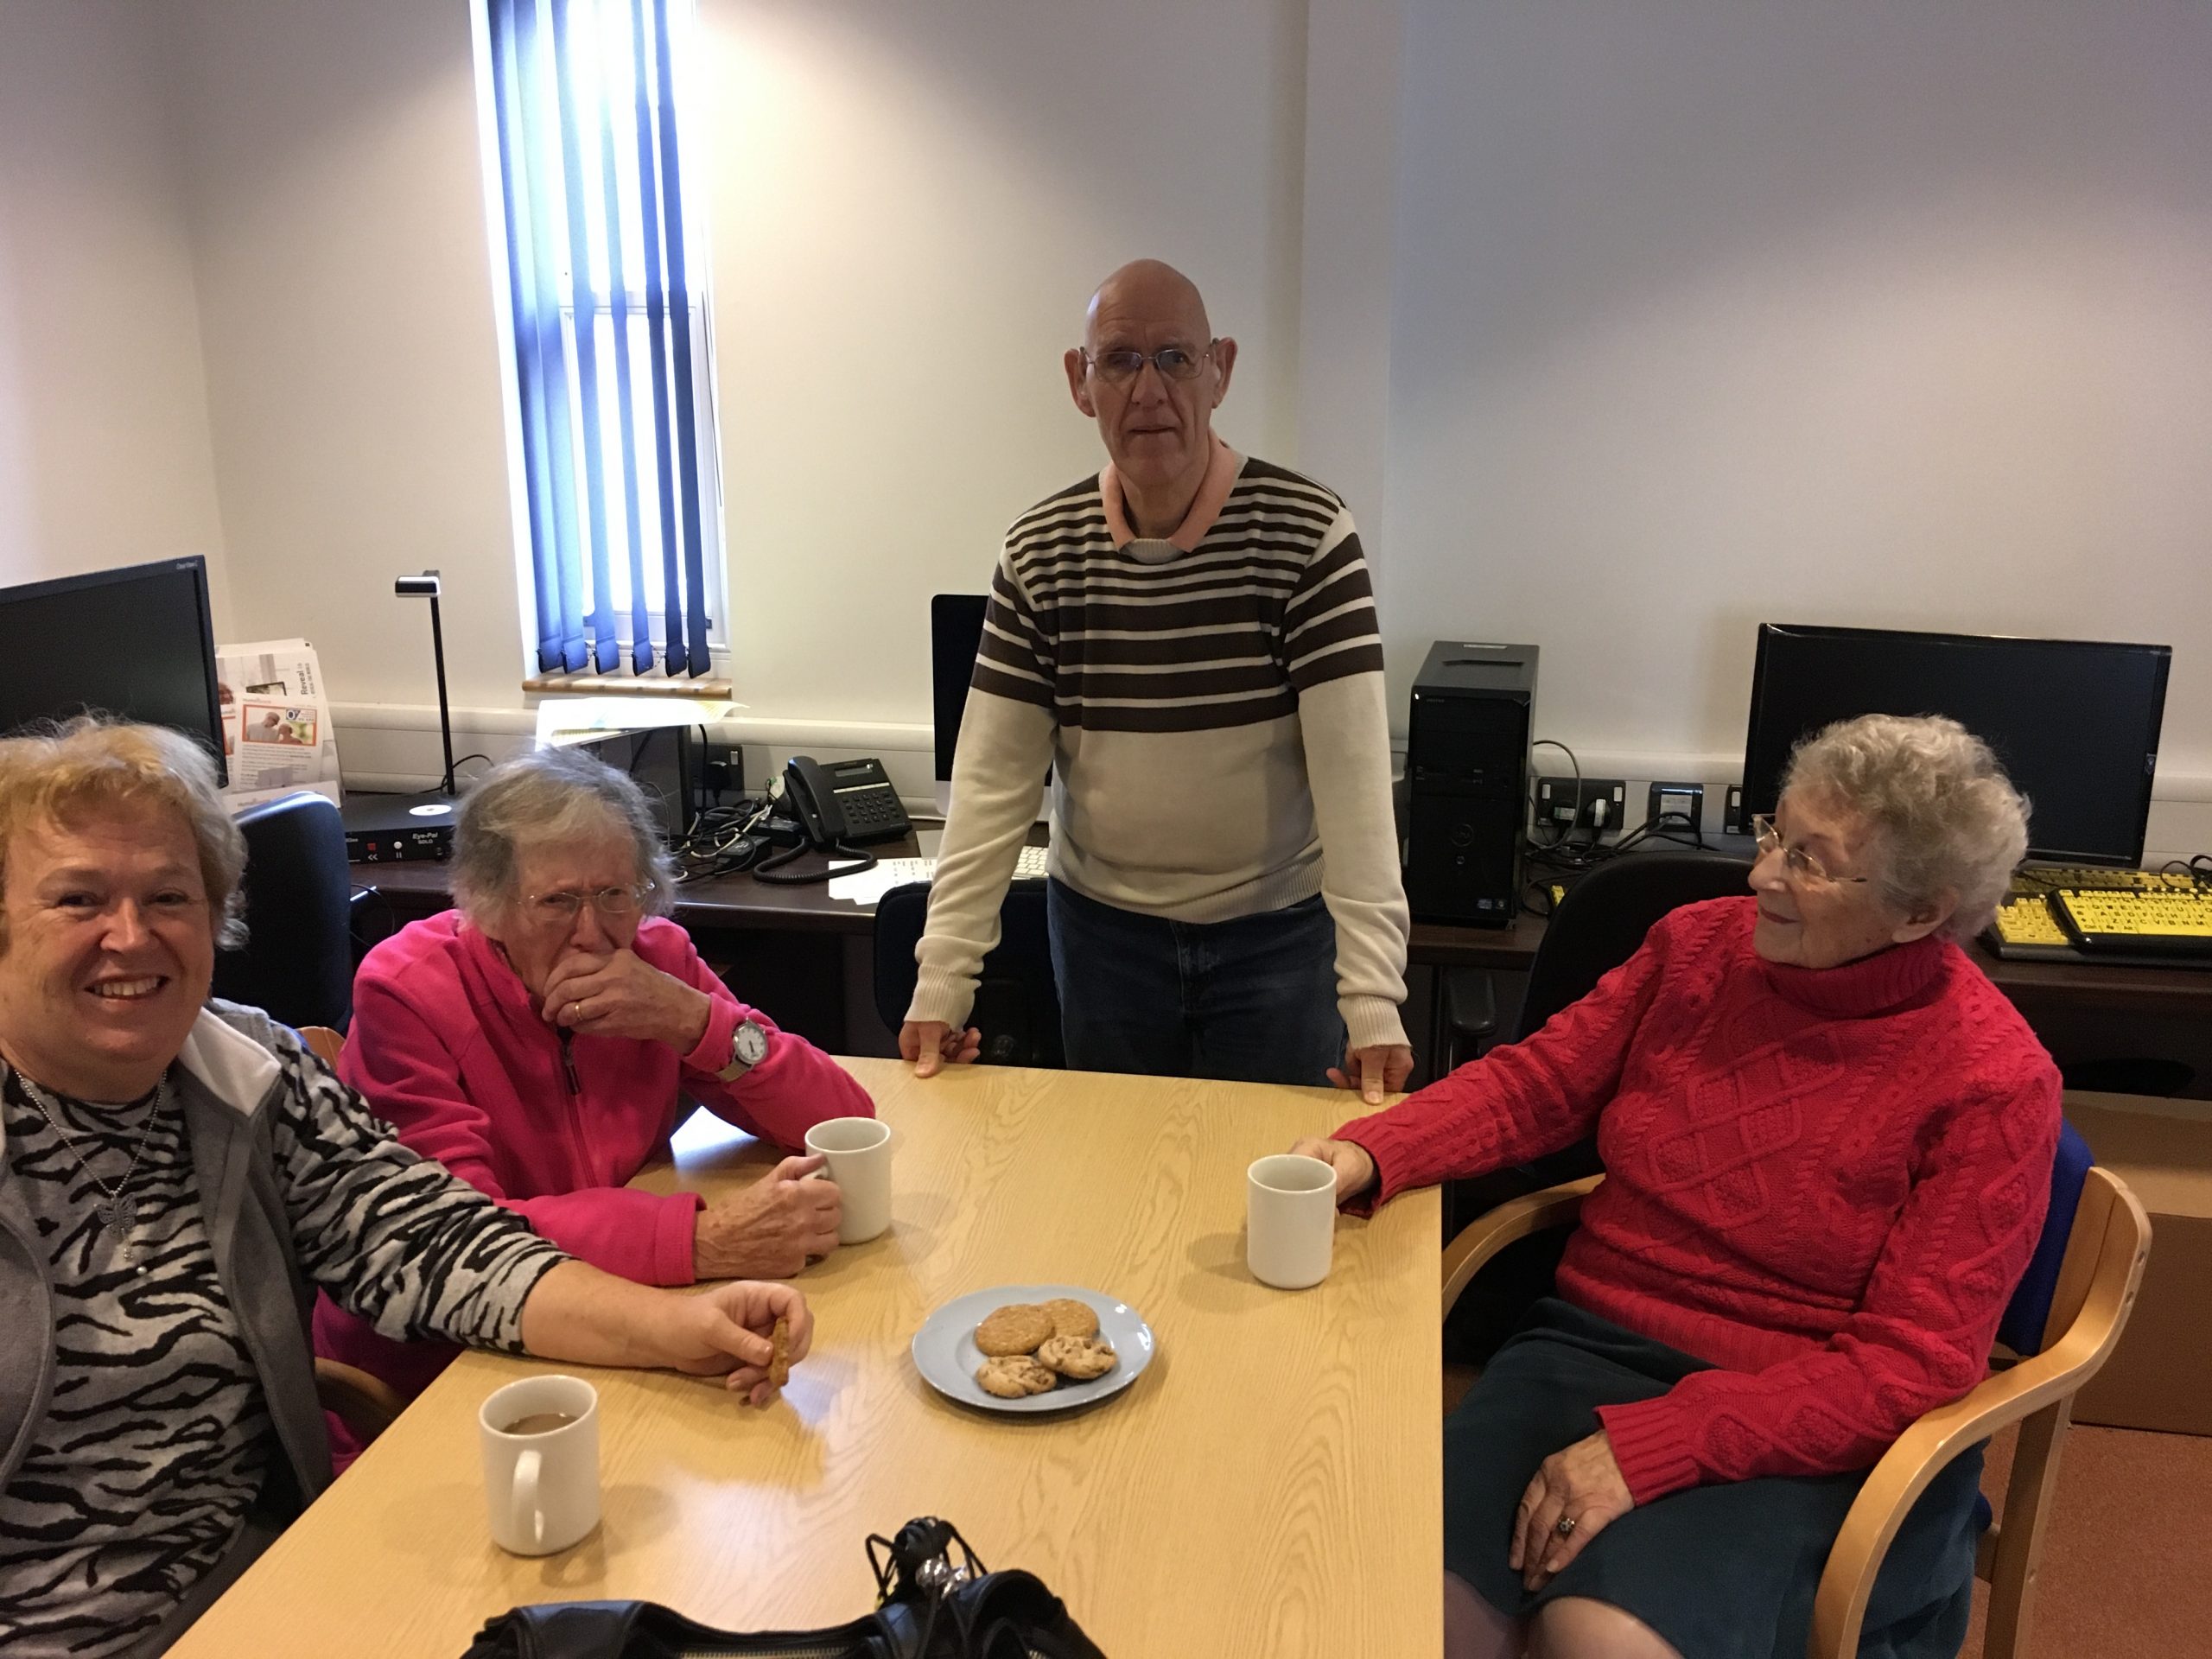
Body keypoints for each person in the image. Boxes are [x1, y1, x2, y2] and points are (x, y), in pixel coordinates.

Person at [0, 719, 814, 1659]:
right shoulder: (404, 991)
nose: (132, 937)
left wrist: (680, 1328)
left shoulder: (240, 1067)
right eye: (78, 900)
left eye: (170, 895)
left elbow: (432, 1238)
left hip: (265, 1574)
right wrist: (696, 1247)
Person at [1290, 715, 2061, 1659]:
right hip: (1589, 1349)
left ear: (1920, 912)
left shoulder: (1993, 1080)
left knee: (1599, 1639)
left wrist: (1654, 1446)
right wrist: (1376, 1148)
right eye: (1774, 834)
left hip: (1809, 1420)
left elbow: (1908, 1365)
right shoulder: (1698, 948)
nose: (1759, 876)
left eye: (1810, 862)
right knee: (1400, 1599)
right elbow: (1540, 1083)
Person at [902, 258, 1412, 1097]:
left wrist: (1373, 1001)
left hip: (1278, 937)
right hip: (1106, 941)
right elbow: (993, 784)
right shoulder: (1040, 552)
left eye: (1175, 358)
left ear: (1221, 370)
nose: (1149, 390)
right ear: (1079, 380)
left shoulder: (1307, 536)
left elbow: (1353, 787)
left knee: (1270, 1175)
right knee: (1115, 1184)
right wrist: (942, 982)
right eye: (1120, 359)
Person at [315, 747, 871, 1437]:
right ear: (485, 905)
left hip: (622, 1335)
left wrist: (696, 1022)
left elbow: (843, 1115)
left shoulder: (656, 959)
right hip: (442, 1385)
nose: (592, 934)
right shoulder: (407, 994)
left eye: (614, 896)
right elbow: (461, 1246)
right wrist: (698, 1241)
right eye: (557, 902)